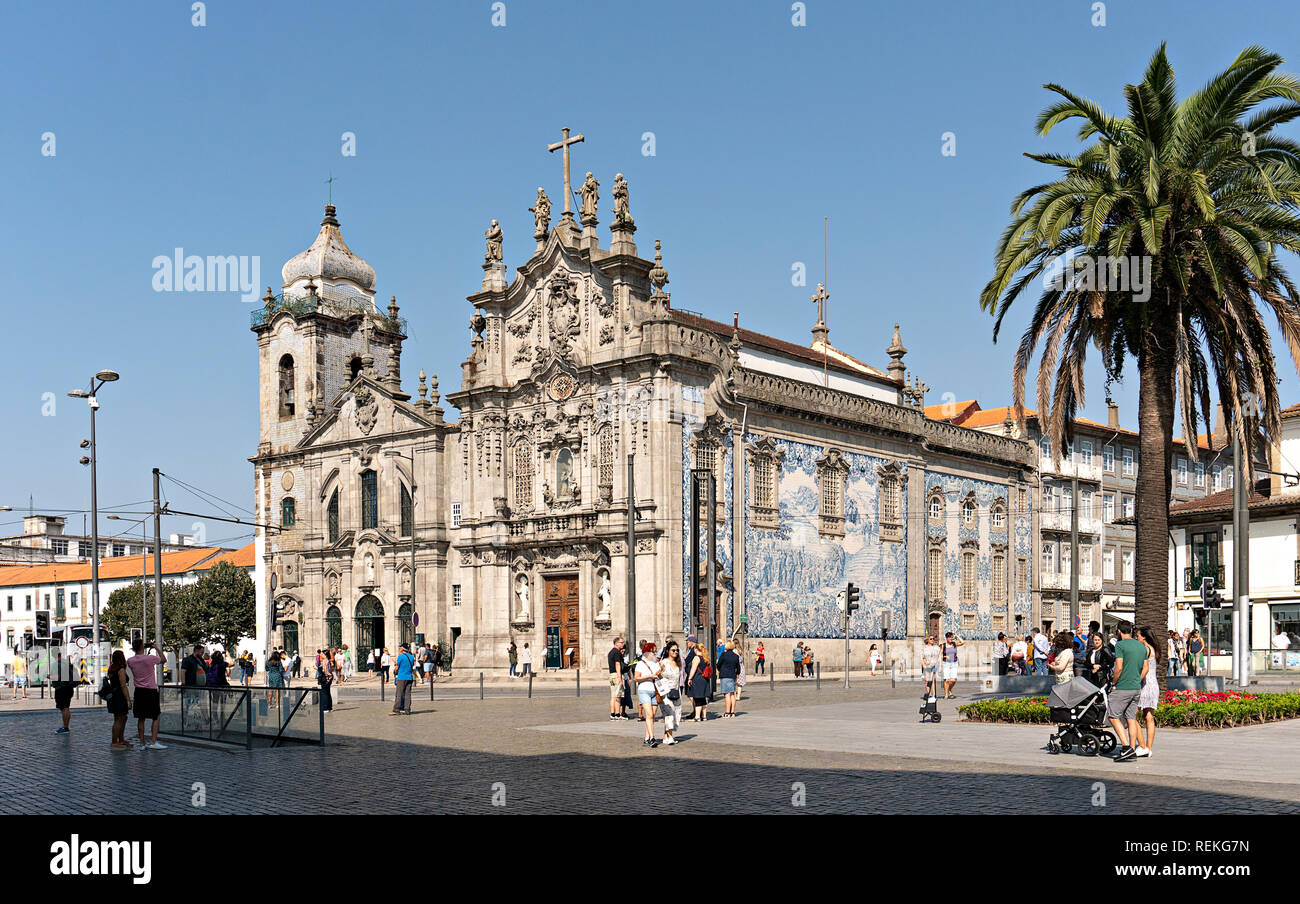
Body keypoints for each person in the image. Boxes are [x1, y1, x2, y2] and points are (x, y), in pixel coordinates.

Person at [1107, 623, 1149, 763]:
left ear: (1119, 631)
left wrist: (1113, 683)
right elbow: (1146, 668)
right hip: (1136, 687)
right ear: (1131, 631)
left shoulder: (1120, 645)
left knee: (1113, 716)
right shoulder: (1141, 646)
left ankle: (1126, 748)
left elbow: (1118, 667)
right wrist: (1137, 679)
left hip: (1122, 687)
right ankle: (1132, 748)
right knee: (1131, 718)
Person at [128, 639, 167, 750]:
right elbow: (164, 660)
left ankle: (142, 743)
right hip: (151, 690)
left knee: (141, 718)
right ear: (142, 647)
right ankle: (153, 741)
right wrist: (156, 648)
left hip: (139, 691)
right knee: (156, 715)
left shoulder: (130, 661)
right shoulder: (150, 658)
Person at [1136, 627, 1161, 758]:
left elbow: (1142, 667)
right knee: (1149, 717)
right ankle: (1149, 748)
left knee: (1132, 715)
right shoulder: (1153, 648)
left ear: (1144, 637)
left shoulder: (1144, 649)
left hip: (1144, 684)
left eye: (1138, 636)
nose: (1137, 638)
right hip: (1153, 685)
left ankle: (1142, 746)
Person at [634, 642, 662, 747]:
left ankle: (646, 737)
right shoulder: (640, 664)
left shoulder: (655, 663)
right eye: (653, 651)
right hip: (644, 690)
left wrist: (660, 674)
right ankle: (652, 738)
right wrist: (649, 676)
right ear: (647, 652)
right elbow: (636, 678)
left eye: (655, 651)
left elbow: (660, 676)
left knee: (652, 716)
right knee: (649, 715)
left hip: (655, 691)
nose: (654, 653)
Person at [106, 650, 133, 750]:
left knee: (121, 718)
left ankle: (120, 740)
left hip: (113, 695)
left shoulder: (111, 668)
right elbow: (123, 686)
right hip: (119, 696)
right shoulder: (120, 669)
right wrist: (128, 700)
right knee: (119, 719)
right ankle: (114, 742)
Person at [657, 642, 683, 745]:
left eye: (677, 650)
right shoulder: (663, 662)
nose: (676, 652)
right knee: (669, 713)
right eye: (673, 650)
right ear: (668, 651)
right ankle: (670, 737)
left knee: (676, 713)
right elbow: (657, 675)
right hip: (666, 692)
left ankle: (665, 737)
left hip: (676, 691)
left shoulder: (678, 663)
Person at [717, 640, 742, 717]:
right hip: (733, 675)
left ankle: (727, 712)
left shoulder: (723, 655)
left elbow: (718, 664)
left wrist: (719, 669)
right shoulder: (736, 656)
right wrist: (737, 673)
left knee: (727, 695)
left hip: (725, 675)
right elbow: (738, 667)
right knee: (732, 694)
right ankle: (732, 712)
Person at [391, 643, 416, 715]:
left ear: (402, 649)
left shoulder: (400, 657)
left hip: (402, 677)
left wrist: (395, 671)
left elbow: (397, 667)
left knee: (399, 693)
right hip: (409, 677)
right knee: (408, 694)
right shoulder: (411, 657)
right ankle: (407, 709)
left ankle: (396, 709)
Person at [688, 646, 711, 721]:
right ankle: (704, 716)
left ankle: (697, 716)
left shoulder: (696, 658)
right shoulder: (705, 657)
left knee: (697, 698)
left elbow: (693, 669)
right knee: (703, 698)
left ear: (696, 649)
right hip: (705, 679)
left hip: (697, 679)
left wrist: (690, 678)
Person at [608, 637, 627, 721]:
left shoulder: (611, 652)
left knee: (613, 696)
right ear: (616, 643)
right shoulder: (617, 652)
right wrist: (620, 677)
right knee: (618, 696)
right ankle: (617, 714)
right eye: (621, 642)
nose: (623, 644)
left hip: (611, 675)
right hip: (616, 675)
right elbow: (617, 664)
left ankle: (613, 714)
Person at [941, 632, 964, 698]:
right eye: (950, 637)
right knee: (946, 679)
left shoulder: (954, 644)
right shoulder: (943, 645)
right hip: (946, 663)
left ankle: (949, 689)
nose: (951, 638)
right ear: (946, 638)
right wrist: (945, 657)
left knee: (954, 680)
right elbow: (940, 655)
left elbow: (962, 642)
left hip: (954, 663)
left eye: (952, 637)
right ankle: (946, 694)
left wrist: (956, 635)